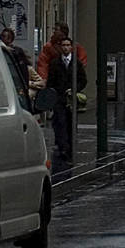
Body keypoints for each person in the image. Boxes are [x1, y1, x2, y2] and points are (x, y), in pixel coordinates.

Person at [46, 37, 87, 170]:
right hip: (59, 98)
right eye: (63, 45)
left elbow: (83, 80)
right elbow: (50, 82)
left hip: (71, 98)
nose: (65, 47)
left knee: (69, 123)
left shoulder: (76, 63)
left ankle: (68, 147)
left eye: (68, 45)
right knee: (60, 122)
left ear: (71, 47)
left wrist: (75, 89)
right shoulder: (54, 63)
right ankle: (63, 148)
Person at [0, 25, 32, 99]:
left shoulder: (16, 53)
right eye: (2, 36)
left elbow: (23, 72)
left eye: (4, 36)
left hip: (15, 85)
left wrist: (24, 88)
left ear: (10, 39)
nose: (1, 38)